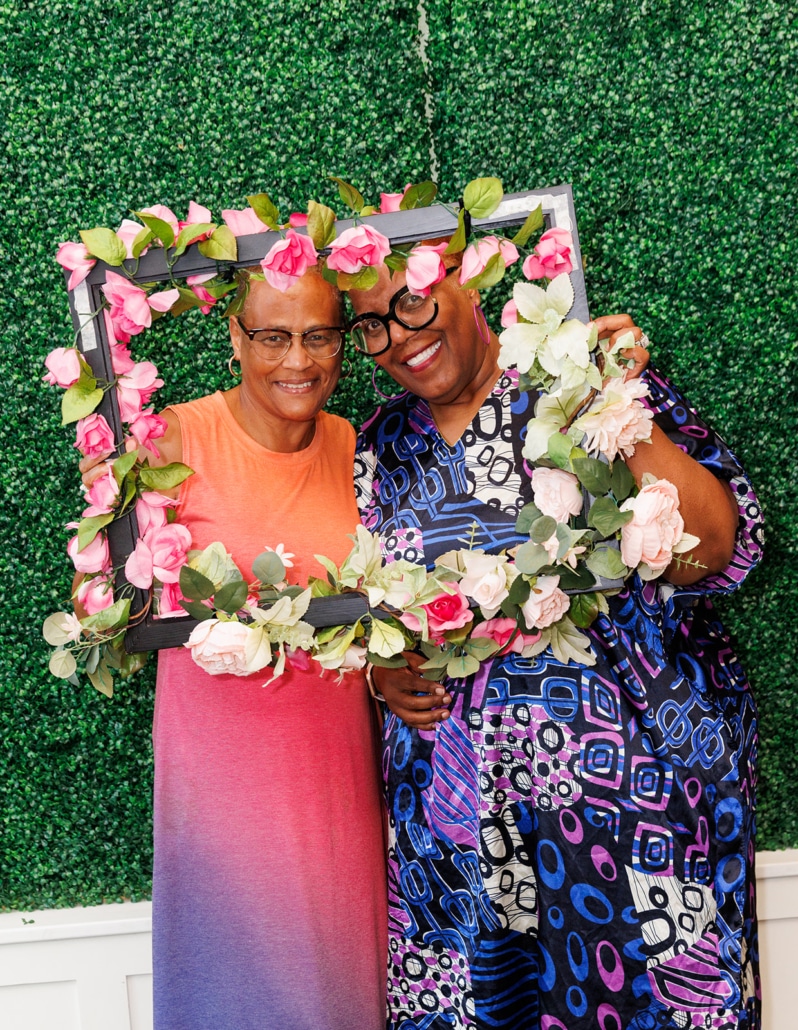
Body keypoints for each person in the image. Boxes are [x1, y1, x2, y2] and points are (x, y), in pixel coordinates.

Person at [349, 254, 763, 1029]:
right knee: (481, 1004)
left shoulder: (572, 383)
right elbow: (356, 603)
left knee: (653, 1003)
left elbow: (716, 549)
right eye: (371, 323)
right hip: (458, 816)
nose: (397, 335)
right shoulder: (377, 447)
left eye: (412, 302)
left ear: (468, 279)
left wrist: (615, 401)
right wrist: (379, 674)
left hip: (629, 798)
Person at [83, 268, 387, 1030]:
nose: (298, 360)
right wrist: (107, 511)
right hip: (221, 799)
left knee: (339, 998)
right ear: (235, 336)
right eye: (273, 336)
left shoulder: (356, 447)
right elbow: (113, 605)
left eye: (319, 336)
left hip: (334, 791)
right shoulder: (171, 440)